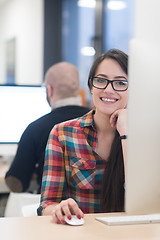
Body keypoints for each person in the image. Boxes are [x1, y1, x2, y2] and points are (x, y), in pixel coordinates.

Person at [37, 49, 128, 223]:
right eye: (101, 80)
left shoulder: (148, 137)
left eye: (121, 83)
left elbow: (146, 204)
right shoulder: (63, 133)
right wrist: (59, 209)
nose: (109, 89)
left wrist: (126, 135)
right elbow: (46, 204)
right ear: (91, 86)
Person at [5, 62, 90, 193]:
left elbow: (17, 183)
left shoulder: (35, 128)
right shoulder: (97, 121)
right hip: (94, 209)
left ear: (49, 89)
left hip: (51, 208)